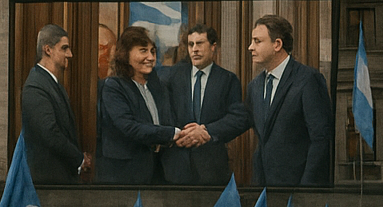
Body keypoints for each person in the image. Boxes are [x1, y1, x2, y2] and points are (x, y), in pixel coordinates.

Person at [96, 26, 196, 183]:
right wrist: (172, 133)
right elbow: (129, 127)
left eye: (153, 51)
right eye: (143, 51)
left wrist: (186, 132)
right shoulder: (114, 86)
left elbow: (168, 121)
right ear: (126, 54)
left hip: (157, 172)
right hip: (123, 176)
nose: (150, 57)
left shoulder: (158, 86)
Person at [246, 13, 332, 186]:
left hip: (298, 189)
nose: (250, 47)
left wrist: (306, 189)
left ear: (277, 44)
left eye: (257, 41)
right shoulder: (254, 86)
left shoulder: (308, 79)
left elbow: (321, 139)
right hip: (263, 189)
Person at [163, 24, 251, 184]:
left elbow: (238, 118)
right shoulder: (173, 76)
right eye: (191, 44)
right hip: (176, 164)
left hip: (212, 167)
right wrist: (179, 135)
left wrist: (206, 131)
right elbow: (164, 112)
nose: (194, 49)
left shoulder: (227, 80)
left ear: (213, 47)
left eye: (200, 43)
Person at [21, 24, 90, 183]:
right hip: (49, 180)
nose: (70, 54)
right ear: (48, 50)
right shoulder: (35, 86)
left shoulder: (51, 83)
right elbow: (50, 133)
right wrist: (79, 158)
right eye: (64, 48)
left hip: (60, 177)